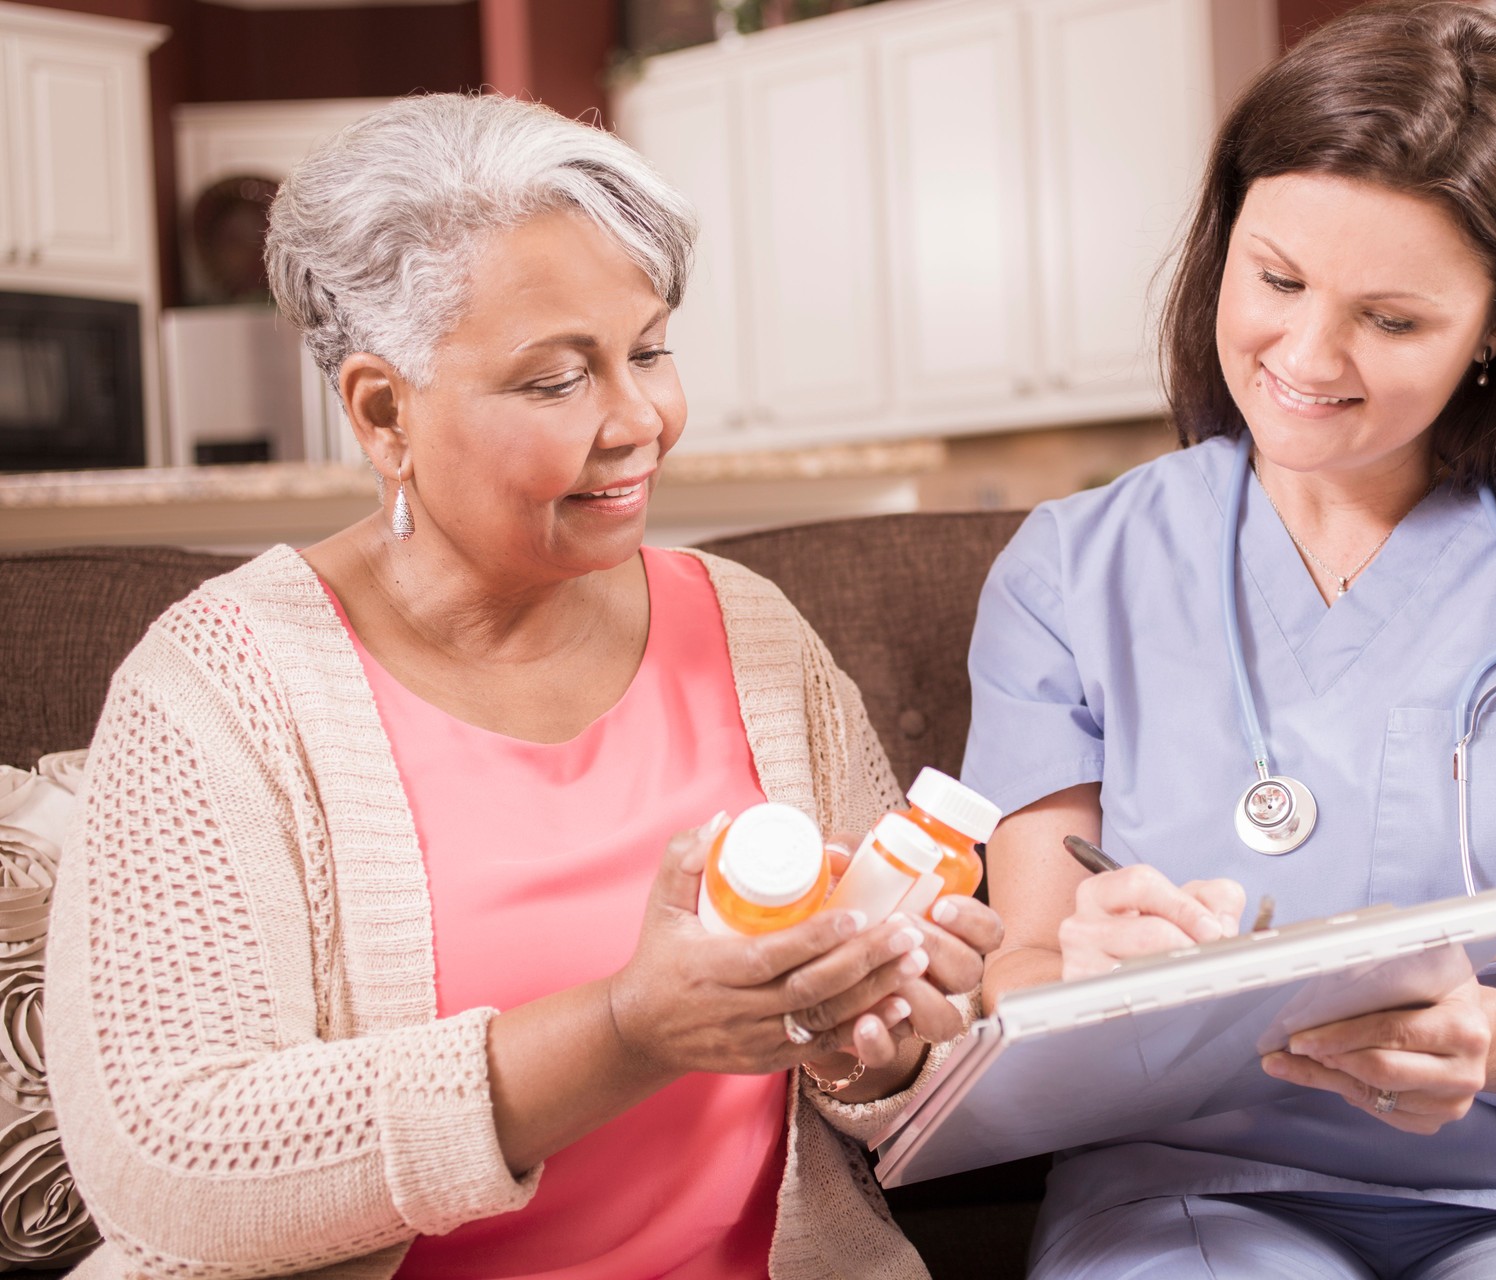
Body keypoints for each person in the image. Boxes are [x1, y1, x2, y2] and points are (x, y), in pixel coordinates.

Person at [962, 5, 1496, 1278]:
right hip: (1191, 1188)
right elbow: (1022, 969)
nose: (1307, 357)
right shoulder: (1071, 569)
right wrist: (1082, 971)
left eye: (1390, 319)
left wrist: (1487, 1033)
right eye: (1275, 279)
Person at [47, 93, 1000, 1280]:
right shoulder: (218, 689)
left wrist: (879, 1048)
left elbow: (877, 1085)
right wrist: (625, 1030)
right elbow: (170, 1164)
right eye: (558, 380)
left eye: (650, 349)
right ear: (384, 411)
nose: (641, 418)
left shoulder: (751, 630)